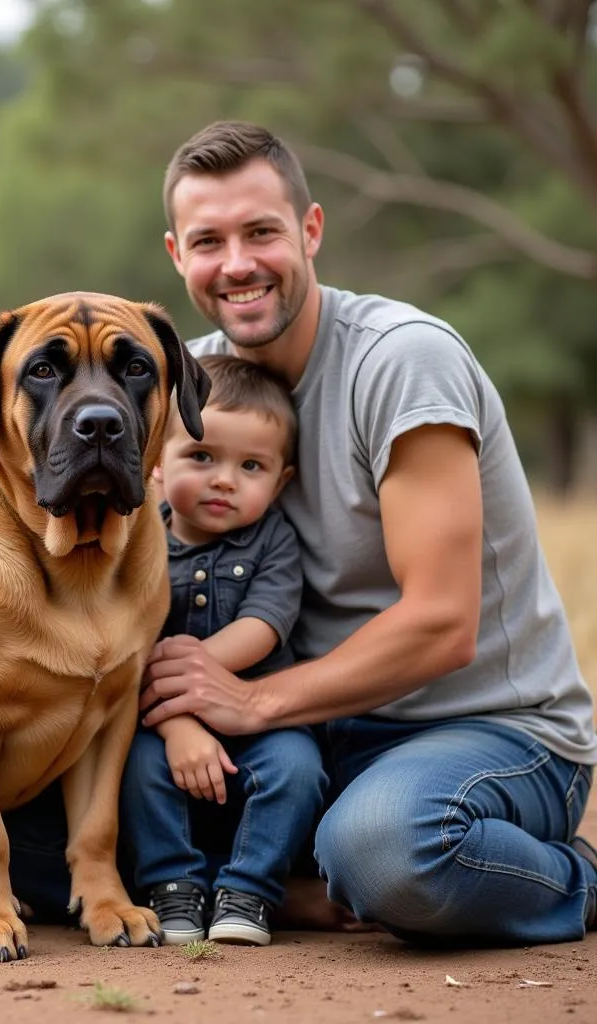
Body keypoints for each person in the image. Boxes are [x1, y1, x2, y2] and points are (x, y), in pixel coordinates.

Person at [138, 120, 597, 945]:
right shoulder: (186, 384)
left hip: (482, 728)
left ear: (310, 232)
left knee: (385, 847)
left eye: (261, 232)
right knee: (64, 836)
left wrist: (252, 699)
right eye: (209, 240)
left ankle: (576, 879)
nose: (236, 263)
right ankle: (303, 886)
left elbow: (442, 625)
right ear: (178, 254)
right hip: (307, 745)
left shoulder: (400, 360)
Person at [120, 354, 327, 946]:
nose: (224, 479)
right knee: (135, 767)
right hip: (157, 721)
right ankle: (173, 888)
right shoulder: (137, 537)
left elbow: (265, 624)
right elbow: (122, 642)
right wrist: (179, 719)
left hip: (261, 712)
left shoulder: (273, 540)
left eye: (252, 466)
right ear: (156, 460)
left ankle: (250, 892)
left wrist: (188, 673)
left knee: (297, 767)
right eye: (202, 456)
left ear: (281, 480)